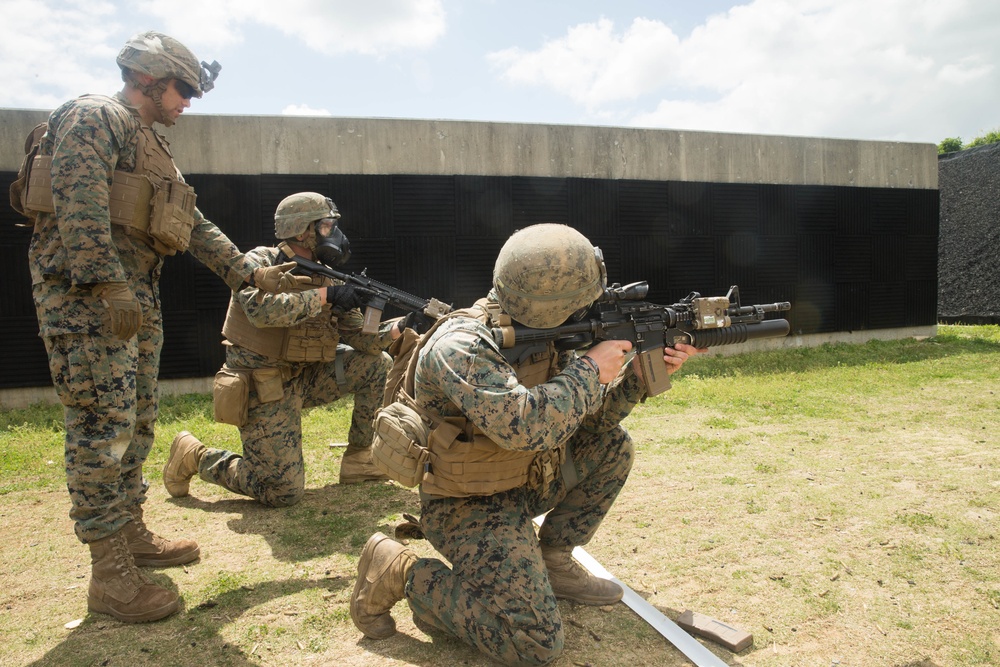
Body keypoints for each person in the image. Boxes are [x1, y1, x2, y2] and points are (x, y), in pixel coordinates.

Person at [23, 30, 303, 625]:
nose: (189, 103)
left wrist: (249, 274)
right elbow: (77, 197)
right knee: (103, 427)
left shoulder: (150, 144)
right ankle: (108, 572)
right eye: (183, 90)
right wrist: (106, 281)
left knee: (138, 420)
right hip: (90, 302)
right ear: (150, 80)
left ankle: (129, 534)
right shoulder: (96, 116)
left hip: (133, 302)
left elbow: (193, 224)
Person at [348, 223, 703, 665]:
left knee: (612, 446)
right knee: (534, 644)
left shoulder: (551, 332)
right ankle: (400, 571)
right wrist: (591, 369)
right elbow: (529, 427)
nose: (590, 311)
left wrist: (637, 376)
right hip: (466, 505)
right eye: (583, 304)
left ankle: (553, 561)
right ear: (555, 307)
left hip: (526, 479)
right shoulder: (461, 345)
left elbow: (590, 422)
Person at [163, 192, 405, 509]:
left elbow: (365, 341)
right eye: (327, 225)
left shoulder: (326, 275)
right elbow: (261, 312)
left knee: (376, 364)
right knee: (282, 492)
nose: (335, 234)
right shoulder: (260, 263)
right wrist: (325, 297)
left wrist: (401, 326)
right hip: (262, 388)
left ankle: (360, 458)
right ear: (303, 229)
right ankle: (195, 456)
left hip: (305, 379)